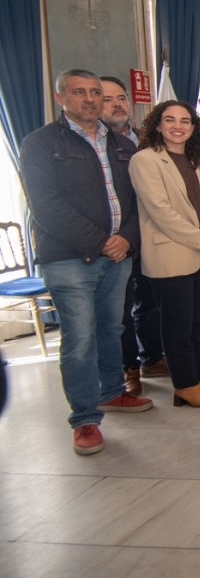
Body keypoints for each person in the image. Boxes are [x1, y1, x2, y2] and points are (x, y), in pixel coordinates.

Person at [20, 70, 151, 454]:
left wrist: (126, 238)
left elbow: (138, 200)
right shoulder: (41, 143)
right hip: (70, 258)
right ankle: (84, 419)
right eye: (80, 92)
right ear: (61, 98)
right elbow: (46, 205)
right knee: (79, 340)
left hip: (119, 253)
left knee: (111, 329)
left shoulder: (123, 143)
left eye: (97, 92)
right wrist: (101, 242)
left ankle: (112, 391)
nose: (91, 99)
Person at [130, 101, 200, 408]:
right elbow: (161, 211)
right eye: (170, 120)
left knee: (198, 323)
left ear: (192, 126)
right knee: (177, 326)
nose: (178, 126)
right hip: (171, 253)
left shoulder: (197, 160)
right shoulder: (144, 160)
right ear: (157, 125)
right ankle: (184, 385)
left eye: (185, 121)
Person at [100, 76, 165, 395]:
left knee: (150, 302)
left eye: (122, 98)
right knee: (120, 311)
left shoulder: (146, 140)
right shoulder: (94, 146)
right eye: (108, 99)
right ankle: (128, 367)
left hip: (149, 235)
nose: (117, 104)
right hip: (114, 242)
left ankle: (152, 357)